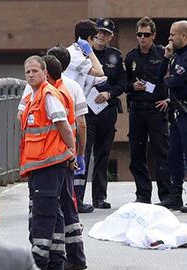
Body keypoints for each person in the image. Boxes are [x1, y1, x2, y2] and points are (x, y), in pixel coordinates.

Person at [20, 56, 75, 270]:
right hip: (41, 165)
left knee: (43, 215)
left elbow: (64, 125)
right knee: (55, 213)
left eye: (34, 71)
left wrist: (72, 152)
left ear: (44, 73)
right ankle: (55, 265)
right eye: (27, 72)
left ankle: (39, 265)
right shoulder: (34, 98)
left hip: (49, 163)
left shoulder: (48, 95)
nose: (31, 75)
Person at [73, 18, 126, 211]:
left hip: (107, 109)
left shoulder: (115, 56)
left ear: (111, 36)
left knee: (103, 154)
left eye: (106, 33)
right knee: (84, 153)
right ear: (93, 36)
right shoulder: (82, 54)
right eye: (99, 33)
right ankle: (78, 197)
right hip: (86, 111)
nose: (102, 36)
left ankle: (99, 197)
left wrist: (109, 93)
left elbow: (123, 83)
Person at [44, 49, 89, 270]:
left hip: (48, 159)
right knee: (69, 205)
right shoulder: (72, 87)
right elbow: (81, 124)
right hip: (67, 156)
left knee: (51, 208)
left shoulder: (44, 90)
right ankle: (76, 256)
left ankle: (55, 258)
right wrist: (79, 153)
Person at [156, 20, 187, 213]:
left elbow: (174, 81)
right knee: (174, 154)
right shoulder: (176, 55)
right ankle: (175, 196)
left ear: (184, 36)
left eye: (172, 35)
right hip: (177, 111)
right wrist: (166, 58)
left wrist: (169, 79)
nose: (169, 38)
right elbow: (161, 79)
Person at [124, 16, 170, 204]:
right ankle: (143, 194)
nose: (142, 38)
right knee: (137, 153)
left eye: (146, 34)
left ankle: (166, 195)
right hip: (137, 109)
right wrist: (131, 86)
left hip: (157, 109)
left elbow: (171, 79)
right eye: (139, 34)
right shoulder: (131, 57)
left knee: (162, 153)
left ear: (153, 35)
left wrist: (168, 99)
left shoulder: (162, 54)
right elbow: (123, 82)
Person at [63, 19, 105, 213]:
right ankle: (74, 200)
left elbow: (100, 78)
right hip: (71, 111)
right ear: (88, 38)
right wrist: (90, 52)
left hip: (73, 108)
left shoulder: (75, 54)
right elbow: (100, 71)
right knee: (77, 153)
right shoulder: (77, 55)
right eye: (94, 38)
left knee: (78, 155)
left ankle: (75, 199)